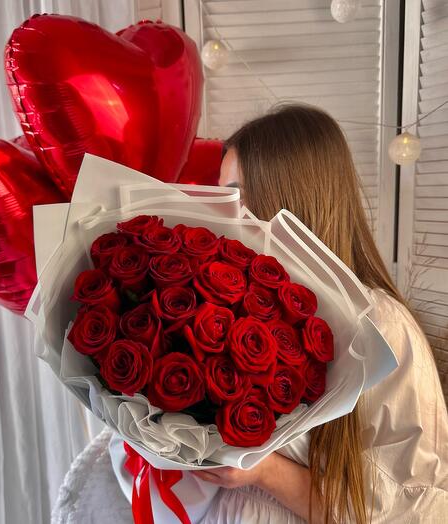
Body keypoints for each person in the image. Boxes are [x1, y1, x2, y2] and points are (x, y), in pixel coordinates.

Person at [192, 103, 448, 523]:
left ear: (288, 197)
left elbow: (412, 507)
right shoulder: (230, 312)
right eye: (224, 195)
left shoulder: (382, 327)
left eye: (238, 195)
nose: (227, 214)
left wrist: (266, 471)